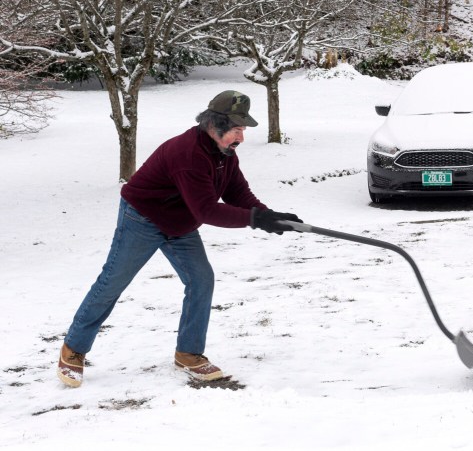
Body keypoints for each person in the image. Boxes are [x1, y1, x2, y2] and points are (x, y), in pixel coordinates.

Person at [57, 90, 302, 387]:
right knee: (112, 282)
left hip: (180, 222)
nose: (241, 137)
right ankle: (73, 349)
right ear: (215, 124)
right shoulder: (188, 154)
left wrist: (268, 216)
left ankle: (188, 354)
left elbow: (236, 193)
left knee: (201, 279)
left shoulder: (224, 153)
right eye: (237, 129)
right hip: (143, 219)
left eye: (243, 130)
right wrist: (255, 220)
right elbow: (208, 210)